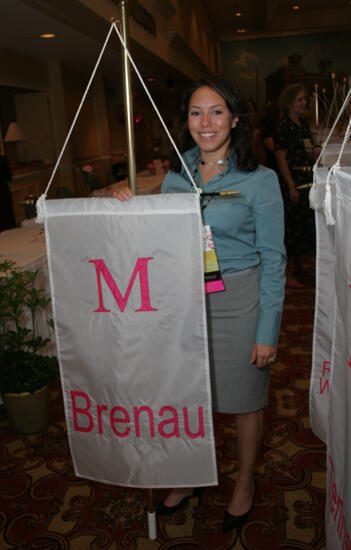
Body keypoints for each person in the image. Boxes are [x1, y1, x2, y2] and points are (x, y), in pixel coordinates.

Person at [114, 78, 286, 533]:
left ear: (234, 118)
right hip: (185, 302)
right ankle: (190, 477)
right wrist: (130, 205)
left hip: (240, 300)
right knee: (190, 397)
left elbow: (274, 259)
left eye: (215, 112)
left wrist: (267, 330)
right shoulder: (177, 173)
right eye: (195, 112)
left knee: (246, 400)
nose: (205, 123)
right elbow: (157, 235)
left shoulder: (260, 180)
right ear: (185, 119)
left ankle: (244, 482)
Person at [274, 84, 315, 288]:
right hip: (292, 182)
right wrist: (291, 186)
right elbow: (280, 159)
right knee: (290, 228)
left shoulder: (303, 124)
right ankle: (287, 272)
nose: (305, 102)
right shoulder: (284, 126)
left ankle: (298, 265)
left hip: (306, 179)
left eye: (305, 99)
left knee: (303, 226)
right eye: (300, 99)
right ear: (290, 102)